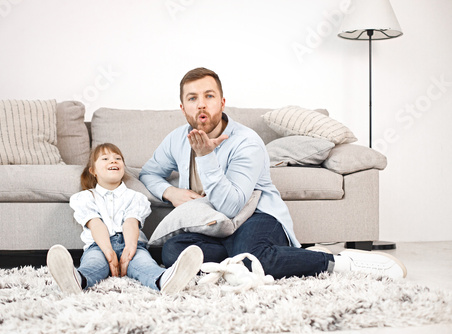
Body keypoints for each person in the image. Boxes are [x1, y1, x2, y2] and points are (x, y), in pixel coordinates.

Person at [139, 67, 407, 280]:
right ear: (182, 107)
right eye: (192, 98)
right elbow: (149, 173)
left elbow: (232, 206)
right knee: (171, 251)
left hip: (255, 218)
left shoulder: (247, 141)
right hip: (213, 226)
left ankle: (338, 262)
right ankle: (250, 262)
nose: (201, 105)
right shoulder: (177, 138)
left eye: (209, 96)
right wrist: (170, 192)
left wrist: (207, 157)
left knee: (252, 256)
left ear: (222, 102)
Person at [47, 143, 203, 295]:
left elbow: (131, 223)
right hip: (99, 246)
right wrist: (108, 251)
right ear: (93, 171)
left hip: (132, 245)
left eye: (117, 158)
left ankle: (164, 279)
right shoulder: (85, 198)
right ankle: (76, 280)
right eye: (105, 159)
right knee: (93, 264)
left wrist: (129, 250)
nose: (113, 161)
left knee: (144, 264)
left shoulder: (135, 197)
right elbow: (95, 224)